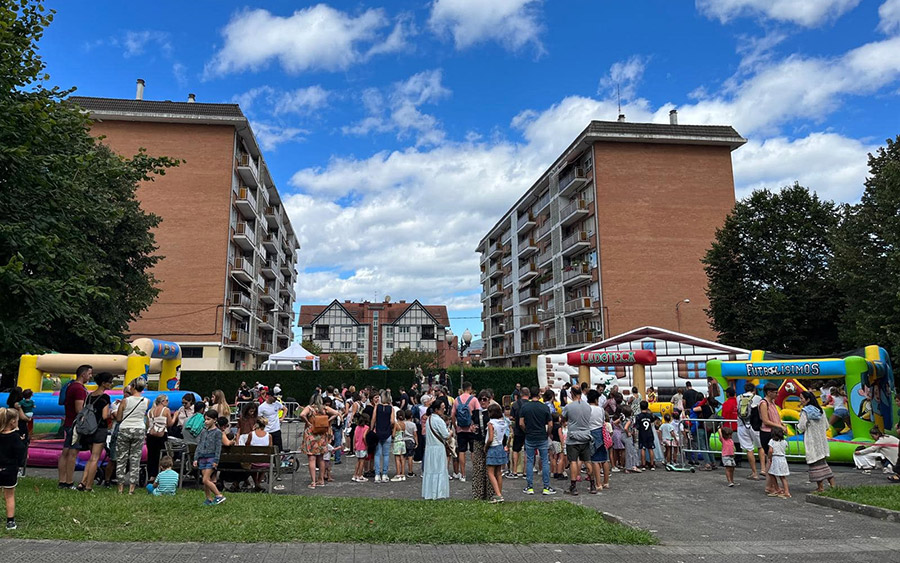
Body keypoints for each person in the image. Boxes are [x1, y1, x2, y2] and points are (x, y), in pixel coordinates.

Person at [76, 371, 113, 492]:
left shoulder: (89, 396)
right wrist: (112, 413)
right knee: (95, 458)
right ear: (104, 383)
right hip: (99, 429)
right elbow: (104, 415)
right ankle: (89, 486)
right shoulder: (105, 397)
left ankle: (83, 481)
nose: (111, 384)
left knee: (91, 458)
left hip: (88, 429)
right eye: (110, 382)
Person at [58, 364, 92, 489]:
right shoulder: (79, 389)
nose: (90, 376)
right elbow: (79, 409)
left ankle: (62, 481)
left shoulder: (71, 386)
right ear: (83, 374)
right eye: (89, 373)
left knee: (65, 452)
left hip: (68, 422)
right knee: (73, 453)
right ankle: (69, 481)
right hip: (75, 424)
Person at [520, 386, 556, 495]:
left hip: (530, 436)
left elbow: (521, 423)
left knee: (530, 461)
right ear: (539, 395)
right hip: (542, 436)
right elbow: (550, 424)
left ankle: (530, 487)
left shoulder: (525, 407)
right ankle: (546, 486)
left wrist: (526, 431)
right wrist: (548, 433)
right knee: (545, 461)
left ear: (530, 394)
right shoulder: (544, 408)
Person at [116, 379, 149, 495]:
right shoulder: (146, 401)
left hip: (125, 428)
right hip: (139, 429)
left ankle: (120, 487)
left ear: (133, 387)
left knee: (122, 459)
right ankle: (131, 489)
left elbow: (119, 418)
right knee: (135, 459)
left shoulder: (125, 401)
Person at [797, 391, 836, 491]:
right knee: (823, 463)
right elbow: (827, 426)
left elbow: (801, 427)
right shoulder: (820, 410)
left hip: (811, 441)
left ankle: (820, 487)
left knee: (815, 465)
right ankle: (832, 485)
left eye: (801, 398)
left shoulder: (805, 411)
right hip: (822, 441)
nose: (800, 400)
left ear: (808, 399)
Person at [300, 394, 340, 489]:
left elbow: (302, 414)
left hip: (311, 434)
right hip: (321, 434)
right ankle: (321, 479)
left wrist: (308, 422)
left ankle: (313, 481)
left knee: (311, 458)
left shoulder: (309, 408)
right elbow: (336, 413)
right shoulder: (324, 409)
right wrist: (327, 422)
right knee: (321, 458)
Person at [562, 385, 594, 495]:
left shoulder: (569, 407)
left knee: (573, 461)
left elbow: (563, 418)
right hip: (585, 436)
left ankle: (573, 486)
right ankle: (592, 484)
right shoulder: (587, 406)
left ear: (572, 393)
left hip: (573, 438)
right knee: (587, 461)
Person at [0, 407, 26, 530]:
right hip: (9, 469)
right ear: (12, 422)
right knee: (9, 495)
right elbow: (20, 453)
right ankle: (10, 521)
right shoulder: (15, 437)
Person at [193, 409, 225, 505]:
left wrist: (216, 460)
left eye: (208, 419)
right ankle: (208, 498)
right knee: (206, 481)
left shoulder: (218, 432)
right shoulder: (203, 432)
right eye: (205, 419)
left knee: (205, 479)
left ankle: (219, 495)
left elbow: (218, 447)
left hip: (211, 458)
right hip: (202, 457)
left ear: (214, 420)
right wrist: (195, 458)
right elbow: (199, 445)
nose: (206, 421)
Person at [422, 400, 451, 500]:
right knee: (439, 469)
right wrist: (450, 433)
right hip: (438, 448)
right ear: (436, 409)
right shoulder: (439, 421)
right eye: (442, 408)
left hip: (430, 448)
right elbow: (446, 435)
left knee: (430, 470)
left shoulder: (429, 419)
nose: (444, 410)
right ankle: (439, 493)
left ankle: (430, 492)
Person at [759, 383, 784, 489]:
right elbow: (765, 420)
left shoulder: (772, 403)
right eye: (775, 392)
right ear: (769, 392)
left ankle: (771, 485)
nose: (777, 394)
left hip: (774, 432)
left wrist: (781, 424)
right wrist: (779, 426)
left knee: (773, 460)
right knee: (771, 460)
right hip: (767, 433)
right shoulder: (764, 403)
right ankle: (769, 486)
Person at [737, 382, 764, 480]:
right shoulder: (757, 398)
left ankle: (754, 473)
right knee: (761, 447)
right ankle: (763, 469)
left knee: (749, 449)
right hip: (755, 426)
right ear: (754, 390)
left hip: (742, 425)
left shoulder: (738, 398)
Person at [238, 417, 272, 490]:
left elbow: (247, 446)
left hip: (253, 461)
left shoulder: (251, 434)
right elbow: (270, 449)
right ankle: (258, 484)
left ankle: (257, 483)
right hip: (264, 462)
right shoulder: (269, 436)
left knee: (252, 462)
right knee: (264, 464)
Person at [586, 389, 610, 490]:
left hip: (591, 432)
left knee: (594, 460)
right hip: (601, 432)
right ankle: (606, 482)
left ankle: (598, 484)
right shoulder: (601, 409)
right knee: (604, 459)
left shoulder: (587, 409)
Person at [371, 390, 395, 483]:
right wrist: (390, 427)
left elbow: (373, 419)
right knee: (386, 455)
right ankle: (384, 474)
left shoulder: (377, 407)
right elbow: (393, 421)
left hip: (378, 432)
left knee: (377, 454)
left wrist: (371, 429)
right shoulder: (391, 408)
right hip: (387, 432)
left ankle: (377, 475)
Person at [145, 394, 171, 482]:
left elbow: (148, 424)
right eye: (167, 401)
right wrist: (175, 416)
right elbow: (170, 423)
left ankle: (151, 475)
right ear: (163, 401)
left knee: (151, 455)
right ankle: (161, 475)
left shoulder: (150, 411)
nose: (168, 402)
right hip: (161, 435)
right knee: (161, 455)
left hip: (150, 435)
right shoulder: (165, 410)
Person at [485, 403, 507, 503]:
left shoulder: (491, 423)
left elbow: (490, 438)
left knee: (490, 472)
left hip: (493, 447)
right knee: (498, 472)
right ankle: (499, 493)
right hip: (500, 446)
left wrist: (485, 447)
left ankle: (497, 494)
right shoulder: (502, 422)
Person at [470, 392, 491, 499]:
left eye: (485, 399)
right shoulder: (475, 413)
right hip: (478, 441)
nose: (482, 402)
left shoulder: (492, 412)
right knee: (478, 468)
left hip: (489, 443)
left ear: (489, 400)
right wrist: (472, 428)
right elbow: (471, 424)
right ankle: (478, 493)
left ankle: (490, 493)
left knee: (489, 468)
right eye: (480, 399)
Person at [507, 386, 528, 479]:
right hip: (528, 430)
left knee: (515, 450)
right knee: (527, 451)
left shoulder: (515, 404)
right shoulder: (530, 405)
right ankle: (525, 472)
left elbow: (511, 417)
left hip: (518, 430)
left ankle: (514, 471)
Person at [766, 427, 790, 498]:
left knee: (771, 474)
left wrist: (769, 457)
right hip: (783, 459)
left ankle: (777, 489)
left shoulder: (772, 441)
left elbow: (770, 451)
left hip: (776, 458)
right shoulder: (784, 441)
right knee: (783, 477)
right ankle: (786, 491)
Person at [634, 400, 657, 471]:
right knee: (651, 448)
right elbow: (653, 420)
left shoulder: (638, 416)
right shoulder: (650, 415)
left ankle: (643, 464)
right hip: (649, 433)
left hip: (642, 434)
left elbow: (637, 426)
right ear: (647, 407)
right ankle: (652, 464)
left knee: (643, 449)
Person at [352, 413, 371, 482]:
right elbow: (364, 437)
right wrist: (367, 445)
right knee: (362, 461)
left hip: (357, 446)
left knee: (358, 461)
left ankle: (355, 475)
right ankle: (360, 475)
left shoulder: (357, 427)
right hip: (363, 446)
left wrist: (354, 445)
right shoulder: (366, 428)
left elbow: (354, 437)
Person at [390, 410, 407, 482]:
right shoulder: (404, 424)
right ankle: (403, 474)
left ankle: (398, 474)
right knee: (402, 458)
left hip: (397, 442)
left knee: (397, 458)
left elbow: (393, 435)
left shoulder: (396, 424)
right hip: (403, 442)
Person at [402, 408, 418, 477]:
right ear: (411, 416)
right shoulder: (413, 424)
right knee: (410, 457)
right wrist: (417, 442)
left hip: (403, 440)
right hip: (410, 440)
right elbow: (415, 434)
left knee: (403, 457)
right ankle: (410, 471)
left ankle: (402, 471)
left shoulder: (403, 423)